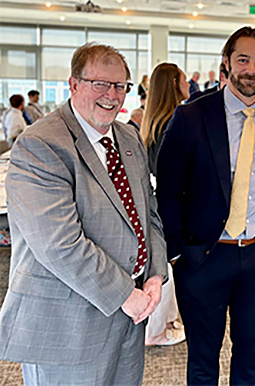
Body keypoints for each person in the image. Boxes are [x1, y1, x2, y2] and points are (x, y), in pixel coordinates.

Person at [0, 43, 167, 385]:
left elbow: (149, 212)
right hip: (69, 324)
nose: (112, 95)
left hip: (131, 317)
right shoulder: (40, 144)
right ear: (74, 84)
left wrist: (154, 274)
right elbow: (59, 244)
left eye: (120, 86)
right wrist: (126, 295)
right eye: (100, 83)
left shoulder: (129, 137)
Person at [156, 26, 255, 385]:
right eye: (243, 60)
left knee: (250, 359)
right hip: (205, 258)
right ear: (226, 62)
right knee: (204, 361)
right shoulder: (192, 116)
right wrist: (177, 253)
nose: (251, 70)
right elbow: (167, 190)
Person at [140, 62, 189, 346]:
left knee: (164, 265)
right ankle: (158, 329)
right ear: (173, 83)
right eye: (184, 80)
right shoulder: (174, 122)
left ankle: (164, 323)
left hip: (160, 201)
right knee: (168, 267)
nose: (188, 85)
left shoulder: (154, 121)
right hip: (173, 204)